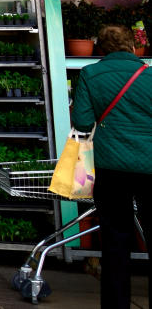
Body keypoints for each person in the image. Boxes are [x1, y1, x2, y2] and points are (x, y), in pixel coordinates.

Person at [70, 24, 152, 309]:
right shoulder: (150, 75)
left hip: (111, 167)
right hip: (149, 166)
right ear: (132, 47)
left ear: (100, 50)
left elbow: (81, 122)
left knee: (116, 242)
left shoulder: (91, 74)